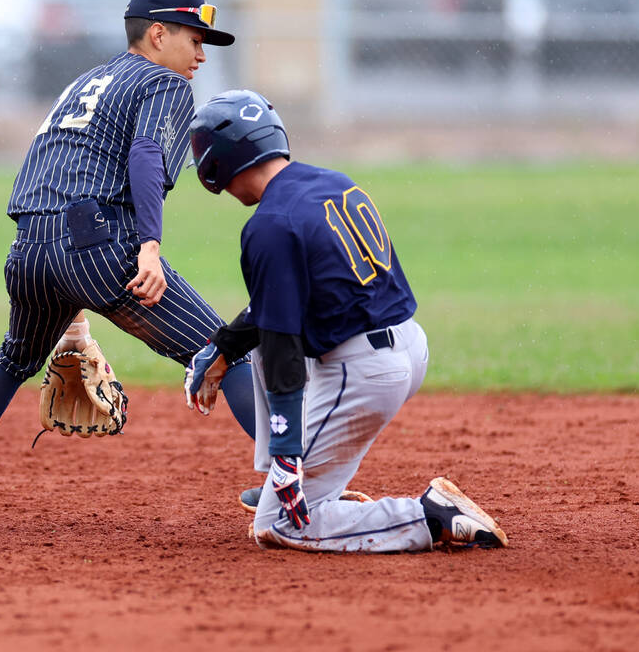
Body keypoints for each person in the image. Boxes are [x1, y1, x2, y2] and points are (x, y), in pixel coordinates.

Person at [0, 0, 256, 534]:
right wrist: (149, 245)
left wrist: (69, 304)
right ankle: (299, 485)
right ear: (158, 34)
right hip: (97, 246)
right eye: (194, 38)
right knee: (224, 351)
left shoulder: (85, 81)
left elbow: (51, 166)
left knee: (13, 363)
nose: (201, 55)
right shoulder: (164, 82)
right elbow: (143, 156)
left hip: (28, 248)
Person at [182, 90, 509, 553]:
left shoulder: (269, 224)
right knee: (258, 344)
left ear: (218, 163)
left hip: (362, 372)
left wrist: (286, 450)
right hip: (408, 345)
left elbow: (282, 347)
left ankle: (428, 514)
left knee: (277, 526)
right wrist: (225, 346)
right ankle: (305, 478)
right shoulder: (330, 182)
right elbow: (288, 298)